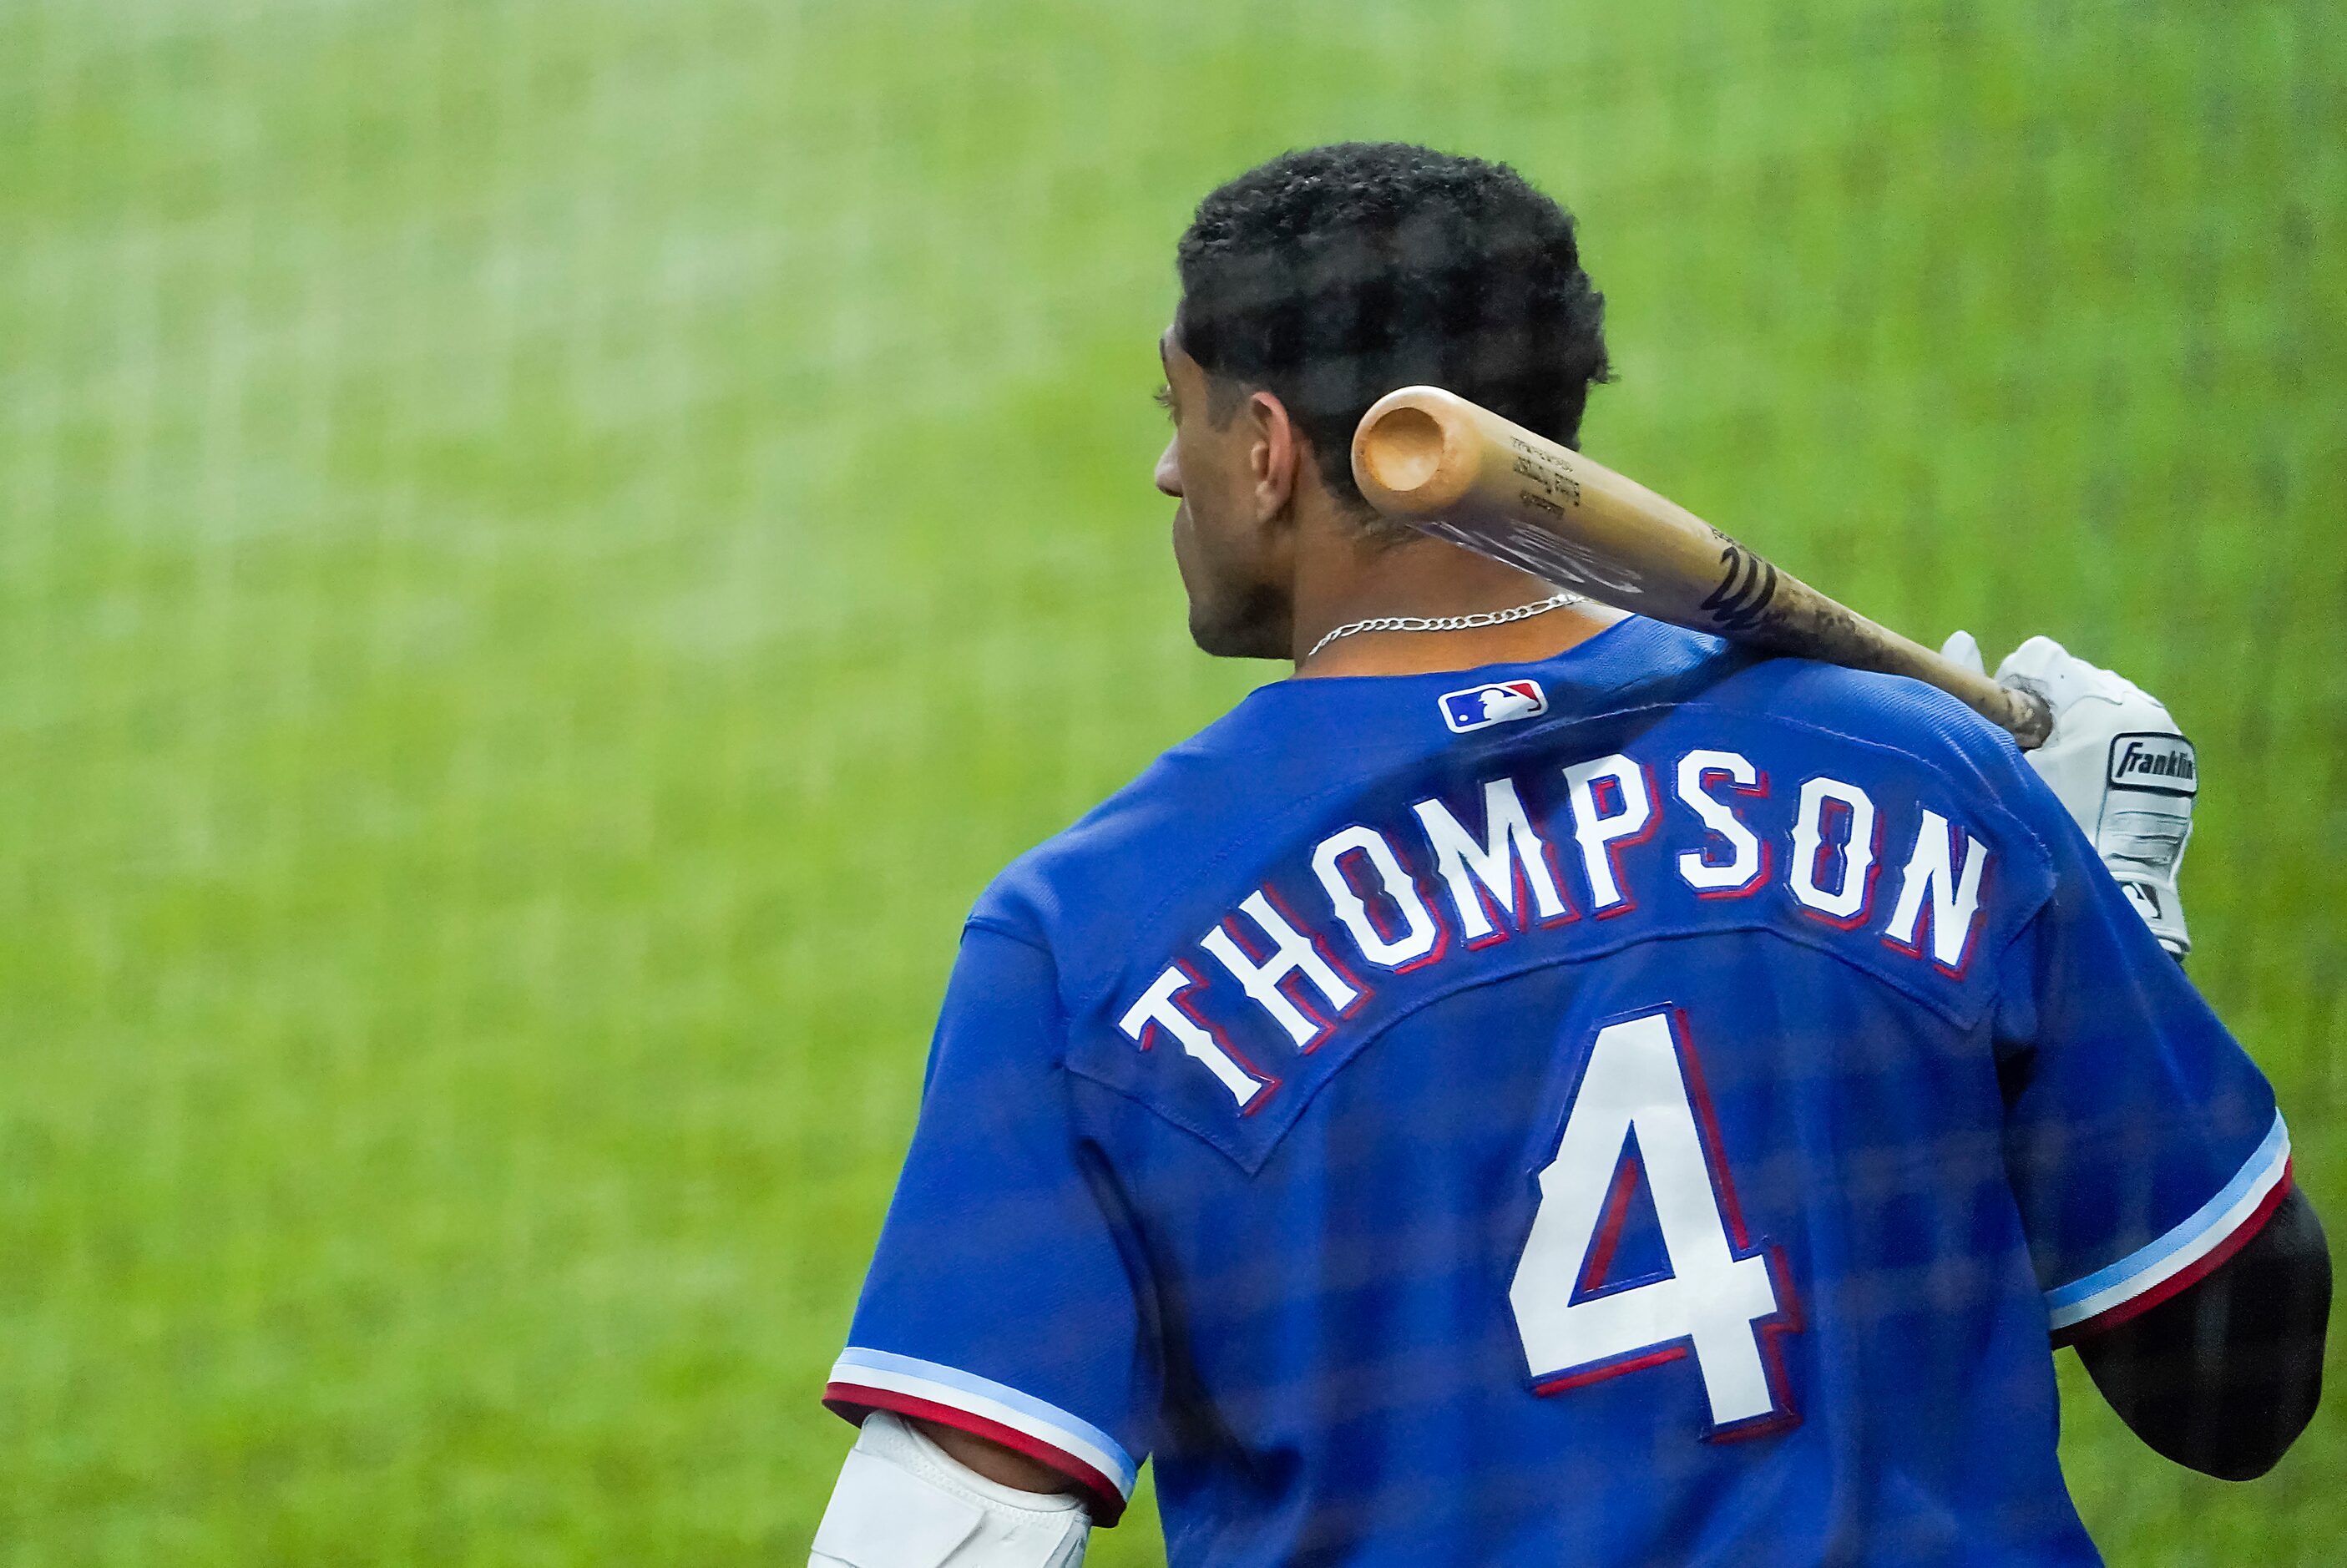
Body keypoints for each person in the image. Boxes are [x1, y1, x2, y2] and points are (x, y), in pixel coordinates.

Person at [807, 144, 2329, 1567]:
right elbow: (2236, 1398)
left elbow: (930, 1541)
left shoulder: (1088, 936)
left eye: (1177, 413)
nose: (1166, 474)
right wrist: (2114, 890)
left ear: (1265, 450)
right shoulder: (1925, 778)